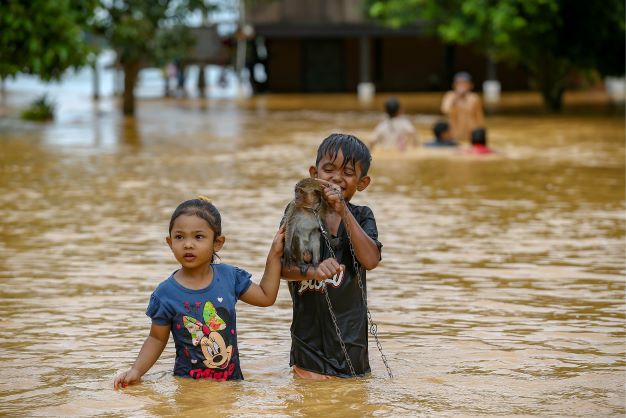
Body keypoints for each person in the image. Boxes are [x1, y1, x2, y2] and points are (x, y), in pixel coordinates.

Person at [114, 197, 285, 388]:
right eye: (180, 237)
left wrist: (274, 254)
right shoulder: (166, 293)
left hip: (230, 385)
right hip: (188, 387)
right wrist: (136, 371)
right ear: (170, 242)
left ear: (217, 243)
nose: (188, 244)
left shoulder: (229, 277)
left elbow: (266, 296)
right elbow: (156, 338)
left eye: (198, 237)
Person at [281, 133, 382, 379]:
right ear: (314, 173)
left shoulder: (362, 216)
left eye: (348, 172)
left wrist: (344, 211)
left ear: (362, 182)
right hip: (308, 346)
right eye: (328, 169)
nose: (336, 178)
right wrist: (313, 270)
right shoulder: (300, 212)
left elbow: (370, 260)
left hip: (352, 346)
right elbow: (283, 268)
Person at [441, 72, 485, 143]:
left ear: (471, 85)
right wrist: (456, 97)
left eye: (465, 83)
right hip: (454, 135)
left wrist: (481, 134)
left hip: (470, 135)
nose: (462, 86)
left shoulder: (474, 98)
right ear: (454, 85)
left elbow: (479, 117)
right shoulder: (449, 96)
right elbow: (445, 110)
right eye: (459, 83)